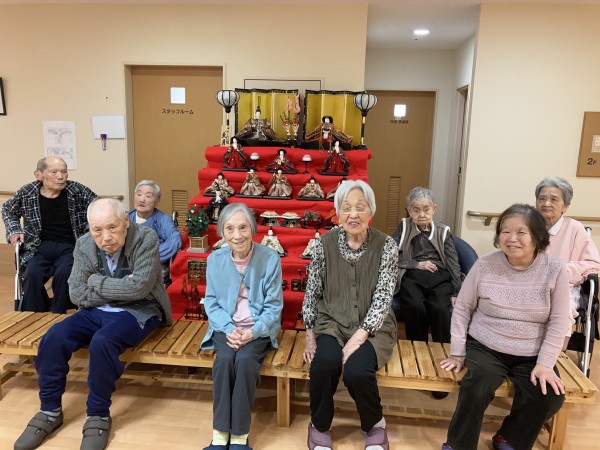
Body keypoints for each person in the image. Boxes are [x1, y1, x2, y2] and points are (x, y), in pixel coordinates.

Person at [13, 198, 173, 450]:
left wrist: (96, 282)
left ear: (126, 221)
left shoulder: (146, 238)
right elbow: (76, 293)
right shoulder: (85, 244)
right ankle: (49, 410)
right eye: (97, 230)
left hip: (140, 310)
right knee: (54, 337)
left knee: (103, 341)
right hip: (94, 310)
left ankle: (98, 414)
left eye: (112, 227)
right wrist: (121, 287)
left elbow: (140, 288)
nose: (105, 237)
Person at [440, 204, 570, 450]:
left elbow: (559, 320)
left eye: (521, 232)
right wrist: (457, 351)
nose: (512, 238)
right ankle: (458, 445)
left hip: (532, 352)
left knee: (549, 396)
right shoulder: (485, 264)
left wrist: (545, 363)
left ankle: (509, 438)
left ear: (537, 236)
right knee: (477, 385)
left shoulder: (554, 269)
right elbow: (463, 308)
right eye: (505, 231)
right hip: (486, 345)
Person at [302, 179, 398, 450]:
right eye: (346, 208)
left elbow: (383, 297)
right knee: (324, 364)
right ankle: (319, 425)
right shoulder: (324, 244)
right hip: (332, 321)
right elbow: (312, 292)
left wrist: (360, 336)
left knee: (357, 371)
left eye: (360, 207)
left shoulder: (387, 246)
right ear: (338, 212)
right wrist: (310, 336)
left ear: (371, 211)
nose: (353, 214)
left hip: (375, 326)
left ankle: (375, 423)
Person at [201, 203, 283, 450]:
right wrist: (229, 329)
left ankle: (238, 435)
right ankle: (219, 434)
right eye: (230, 228)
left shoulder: (270, 259)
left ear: (253, 229)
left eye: (243, 227)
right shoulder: (215, 259)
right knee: (225, 361)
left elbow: (273, 307)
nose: (237, 235)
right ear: (222, 232)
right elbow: (212, 303)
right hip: (225, 327)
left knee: (245, 362)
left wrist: (252, 332)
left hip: (258, 328)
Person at [2, 156, 97, 313]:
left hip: (70, 246)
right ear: (38, 174)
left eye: (64, 172)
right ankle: (33, 314)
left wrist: (89, 233)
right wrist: (14, 230)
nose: (60, 176)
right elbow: (8, 210)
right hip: (37, 247)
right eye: (54, 172)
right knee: (32, 275)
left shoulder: (77, 190)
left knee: (65, 274)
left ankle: (58, 313)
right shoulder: (27, 192)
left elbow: (99, 207)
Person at [392, 187, 462, 345]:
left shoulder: (443, 231)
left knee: (440, 309)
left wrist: (456, 291)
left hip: (439, 275)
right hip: (411, 275)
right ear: (409, 210)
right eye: (416, 210)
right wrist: (416, 264)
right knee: (415, 307)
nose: (421, 214)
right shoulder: (404, 226)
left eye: (426, 209)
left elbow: (453, 263)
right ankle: (417, 347)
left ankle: (443, 348)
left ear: (434, 209)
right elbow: (390, 256)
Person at [534, 176, 600, 345]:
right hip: (530, 283)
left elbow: (593, 263)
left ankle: (554, 354)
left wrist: (560, 270)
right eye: (542, 198)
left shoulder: (575, 228)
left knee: (560, 310)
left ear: (565, 206)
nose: (546, 203)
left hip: (564, 286)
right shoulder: (528, 226)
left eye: (554, 199)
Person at [128, 180, 182, 279]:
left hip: (153, 265)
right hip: (127, 265)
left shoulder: (163, 220)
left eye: (148, 196)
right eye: (139, 194)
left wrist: (150, 256)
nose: (142, 200)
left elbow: (175, 240)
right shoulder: (125, 218)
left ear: (157, 201)